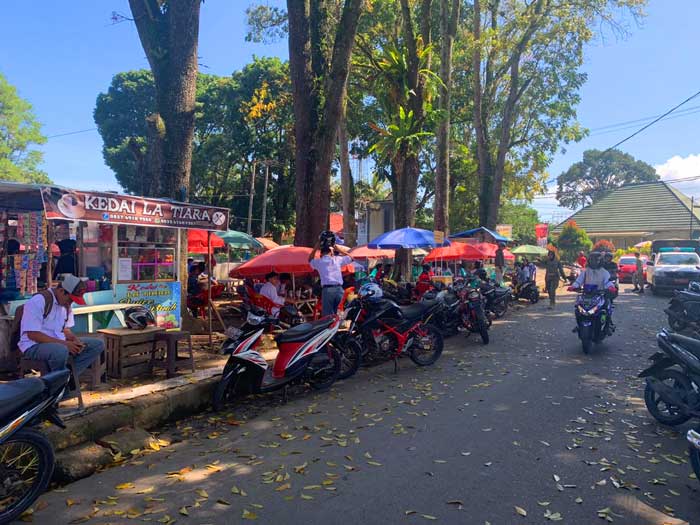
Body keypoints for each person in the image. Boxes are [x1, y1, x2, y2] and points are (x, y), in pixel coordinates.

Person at [19, 274, 104, 380]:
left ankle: (66, 378)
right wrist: (65, 344)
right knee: (60, 350)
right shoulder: (38, 301)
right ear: (61, 291)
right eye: (70, 299)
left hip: (59, 343)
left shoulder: (66, 305)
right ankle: (57, 385)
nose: (71, 302)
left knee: (97, 344)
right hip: (34, 345)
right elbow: (33, 334)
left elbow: (65, 329)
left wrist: (74, 339)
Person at [308, 234, 353, 316]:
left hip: (327, 290)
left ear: (321, 253)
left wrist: (316, 247)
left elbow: (310, 260)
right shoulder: (337, 259)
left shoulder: (319, 262)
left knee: (328, 316)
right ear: (331, 251)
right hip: (339, 290)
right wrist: (338, 249)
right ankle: (336, 327)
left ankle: (330, 328)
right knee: (338, 314)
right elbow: (351, 257)